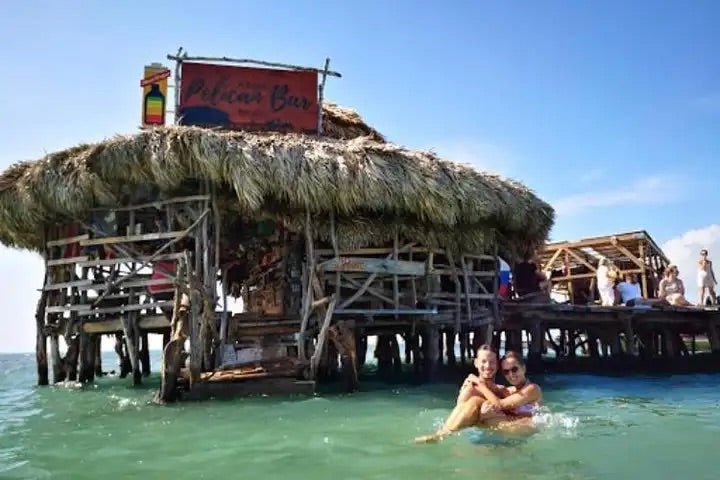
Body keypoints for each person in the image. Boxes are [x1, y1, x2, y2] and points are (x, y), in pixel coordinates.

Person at [414, 346, 540, 443]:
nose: (511, 374)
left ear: (524, 368)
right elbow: (461, 408)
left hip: (524, 430)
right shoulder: (508, 391)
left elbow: (501, 404)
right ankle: (443, 433)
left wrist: (479, 383)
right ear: (476, 363)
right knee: (477, 402)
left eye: (514, 369)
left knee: (477, 402)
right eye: (506, 371)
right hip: (503, 431)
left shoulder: (532, 388)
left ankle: (441, 435)